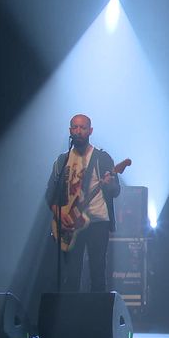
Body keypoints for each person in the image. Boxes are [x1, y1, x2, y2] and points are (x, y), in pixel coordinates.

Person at [45, 114, 121, 292]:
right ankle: (70, 317)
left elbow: (116, 191)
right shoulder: (62, 160)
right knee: (71, 275)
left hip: (97, 223)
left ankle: (97, 317)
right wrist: (60, 213)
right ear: (70, 130)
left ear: (90, 131)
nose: (78, 131)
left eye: (83, 128)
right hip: (71, 225)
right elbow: (50, 193)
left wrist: (110, 184)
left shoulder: (102, 158)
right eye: (75, 127)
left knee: (97, 273)